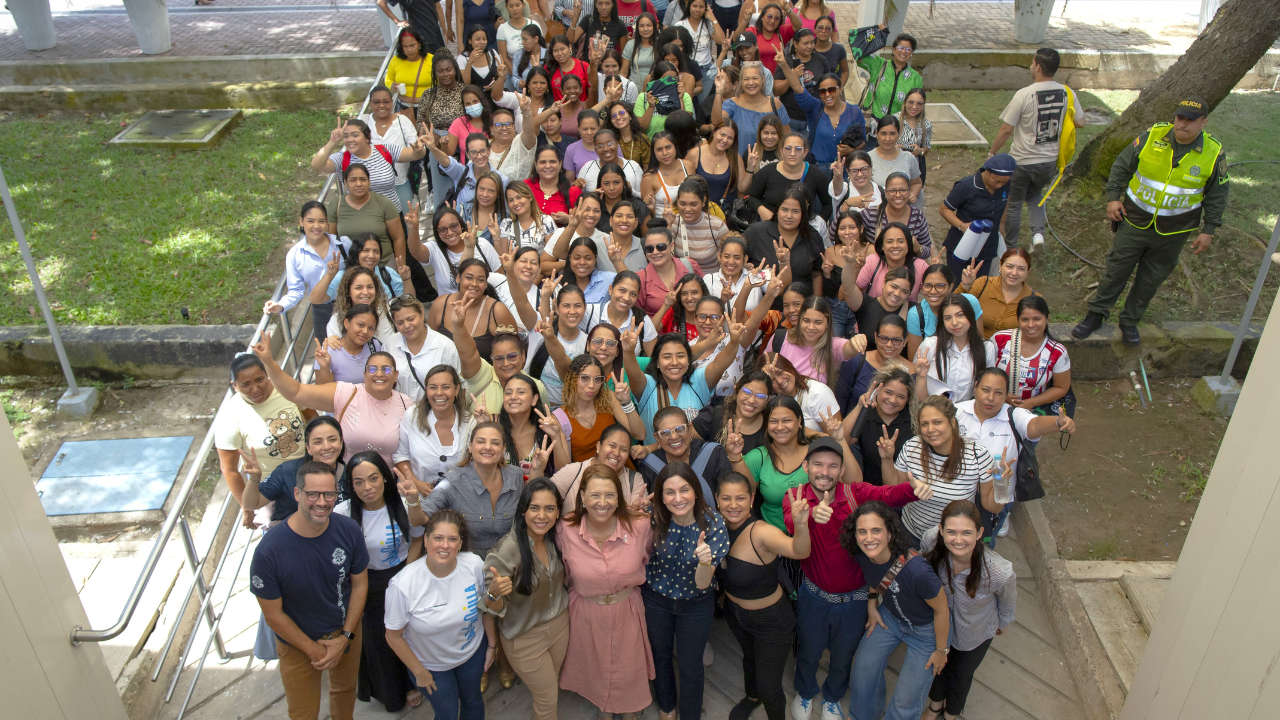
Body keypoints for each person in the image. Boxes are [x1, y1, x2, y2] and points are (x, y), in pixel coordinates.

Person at [782, 437, 930, 720]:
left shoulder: (855, 494)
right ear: (805, 466)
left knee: (843, 653)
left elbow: (888, 495)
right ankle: (805, 691)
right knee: (808, 649)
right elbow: (791, 522)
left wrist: (913, 489)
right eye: (818, 465)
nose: (824, 471)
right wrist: (811, 515)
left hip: (855, 599)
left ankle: (834, 697)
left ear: (841, 471)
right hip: (813, 595)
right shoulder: (795, 497)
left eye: (832, 466)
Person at [1074, 96, 1228, 347]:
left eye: (1191, 121)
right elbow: (1122, 166)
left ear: (1204, 122)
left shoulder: (1213, 153)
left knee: (1151, 278)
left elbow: (1218, 194)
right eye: (1180, 118)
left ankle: (1130, 321)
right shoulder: (1152, 137)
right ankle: (1096, 314)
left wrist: (1209, 229)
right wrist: (1113, 198)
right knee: (1116, 270)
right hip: (1135, 221)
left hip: (1174, 232)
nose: (1183, 125)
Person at [249, 462, 368, 720]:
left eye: (329, 494)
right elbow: (273, 615)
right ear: (297, 494)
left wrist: (345, 636)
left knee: (346, 692)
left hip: (345, 632)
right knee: (303, 712)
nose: (322, 502)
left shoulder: (349, 530)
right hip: (296, 644)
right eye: (312, 494)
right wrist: (312, 649)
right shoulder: (269, 551)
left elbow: (359, 584)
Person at [557, 464, 656, 718]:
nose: (602, 503)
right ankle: (604, 706)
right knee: (594, 667)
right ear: (582, 497)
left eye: (610, 495)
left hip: (627, 610)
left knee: (627, 666)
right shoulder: (565, 530)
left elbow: (650, 556)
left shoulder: (640, 526)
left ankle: (629, 709)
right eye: (595, 495)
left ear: (619, 497)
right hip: (585, 612)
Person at [384, 508, 498, 720]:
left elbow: (485, 609)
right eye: (438, 538)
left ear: (460, 543)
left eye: (452, 539)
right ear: (425, 540)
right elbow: (393, 636)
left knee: (473, 702)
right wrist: (419, 672)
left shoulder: (473, 564)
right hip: (430, 666)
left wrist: (491, 645)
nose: (445, 545)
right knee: (446, 713)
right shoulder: (402, 585)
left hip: (472, 655)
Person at [715, 472, 811, 720]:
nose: (733, 505)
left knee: (771, 687)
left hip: (771, 623)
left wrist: (801, 525)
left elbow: (798, 551)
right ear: (717, 499)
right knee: (750, 659)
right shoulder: (716, 527)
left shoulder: (761, 532)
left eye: (740, 498)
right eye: (726, 498)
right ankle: (751, 696)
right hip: (736, 615)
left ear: (751, 499)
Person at [332, 452, 423, 712]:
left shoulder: (404, 504)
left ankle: (412, 681)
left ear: (385, 477)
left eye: (373, 479)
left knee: (408, 633)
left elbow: (417, 539)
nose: (367, 487)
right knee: (378, 640)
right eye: (358, 482)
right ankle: (389, 690)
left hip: (403, 574)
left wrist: (405, 575)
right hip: (365, 583)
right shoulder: (342, 513)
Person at [844, 501, 950, 720]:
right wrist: (872, 604)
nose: (869, 538)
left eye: (876, 530)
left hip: (926, 633)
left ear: (890, 533)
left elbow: (942, 611)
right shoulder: (862, 553)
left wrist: (941, 651)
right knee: (863, 670)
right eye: (862, 532)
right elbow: (875, 577)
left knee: (905, 702)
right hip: (890, 618)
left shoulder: (917, 570)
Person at [642, 462, 729, 720]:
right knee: (661, 656)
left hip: (696, 604)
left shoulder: (713, 523)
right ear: (660, 496)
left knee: (692, 666)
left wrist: (705, 561)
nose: (678, 498)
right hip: (656, 600)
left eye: (684, 490)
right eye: (670, 492)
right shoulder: (652, 516)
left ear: (696, 492)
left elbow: (704, 583)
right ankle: (666, 706)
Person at [478, 478, 570, 720]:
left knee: (552, 685)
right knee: (547, 699)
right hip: (525, 639)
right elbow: (490, 606)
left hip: (560, 627)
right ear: (523, 511)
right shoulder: (508, 549)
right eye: (534, 508)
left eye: (549, 508)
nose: (542, 516)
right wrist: (494, 592)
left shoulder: (554, 539)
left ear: (558, 511)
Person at [252, 333, 411, 467]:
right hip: (347, 481)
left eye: (386, 369)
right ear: (364, 374)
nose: (379, 374)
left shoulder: (406, 404)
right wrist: (269, 363)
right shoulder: (346, 393)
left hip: (390, 485)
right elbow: (296, 392)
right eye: (372, 369)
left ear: (396, 375)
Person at [921, 500, 1016, 720]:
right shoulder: (930, 541)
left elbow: (1008, 602)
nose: (958, 540)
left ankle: (951, 713)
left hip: (974, 632)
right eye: (951, 532)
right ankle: (935, 706)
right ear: (941, 530)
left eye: (966, 533)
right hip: (937, 623)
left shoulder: (999, 571)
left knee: (961, 675)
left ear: (980, 533)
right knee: (939, 668)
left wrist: (1002, 624)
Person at [957, 366, 1077, 539]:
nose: (990, 398)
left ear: (1006, 395)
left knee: (984, 544)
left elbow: (1034, 425)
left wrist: (1058, 423)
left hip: (998, 496)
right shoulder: (956, 412)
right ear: (975, 386)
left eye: (999, 393)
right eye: (985, 390)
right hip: (959, 493)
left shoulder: (1015, 416)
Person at [988, 48, 1084, 252]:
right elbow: (1081, 122)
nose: (1031, 67)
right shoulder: (1068, 93)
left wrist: (992, 153)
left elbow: (1007, 128)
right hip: (1049, 161)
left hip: (1022, 161)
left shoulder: (1024, 94)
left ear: (1038, 67)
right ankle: (1038, 235)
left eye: (1032, 63)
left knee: (1014, 203)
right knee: (1035, 197)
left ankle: (1011, 247)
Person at [882, 396, 1003, 546]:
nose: (930, 429)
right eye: (924, 424)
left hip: (953, 541)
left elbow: (991, 506)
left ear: (952, 422)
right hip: (911, 534)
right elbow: (894, 487)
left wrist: (1002, 482)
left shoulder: (978, 455)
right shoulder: (912, 446)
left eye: (937, 422)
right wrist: (887, 459)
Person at [215, 353, 309, 527]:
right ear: (234, 386)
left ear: (267, 374)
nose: (255, 389)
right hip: (273, 492)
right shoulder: (230, 417)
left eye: (259, 380)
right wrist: (247, 507)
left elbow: (312, 420)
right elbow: (229, 470)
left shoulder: (286, 388)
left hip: (311, 474)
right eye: (245, 385)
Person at [622, 323, 746, 444]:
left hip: (693, 462)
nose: (674, 362)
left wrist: (734, 342)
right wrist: (628, 351)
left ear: (689, 360)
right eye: (667, 357)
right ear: (657, 363)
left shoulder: (699, 381)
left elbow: (719, 365)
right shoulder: (647, 385)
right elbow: (634, 374)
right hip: (656, 462)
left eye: (680, 356)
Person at [737, 395, 836, 530]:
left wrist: (839, 438)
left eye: (787, 420)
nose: (780, 427)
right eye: (773, 421)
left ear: (799, 420)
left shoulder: (818, 451)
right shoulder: (758, 457)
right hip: (774, 540)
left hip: (820, 536)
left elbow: (853, 481)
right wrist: (735, 456)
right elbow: (741, 498)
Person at [241, 416, 346, 532]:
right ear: (308, 448)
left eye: (332, 439)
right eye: (318, 442)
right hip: (288, 540)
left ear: (341, 442)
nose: (326, 447)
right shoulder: (287, 472)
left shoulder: (350, 475)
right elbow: (251, 504)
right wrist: (254, 479)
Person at [264, 201, 350, 341]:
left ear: (327, 222)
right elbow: (296, 291)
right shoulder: (295, 255)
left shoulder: (343, 244)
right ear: (301, 222)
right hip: (322, 311)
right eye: (310, 221)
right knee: (327, 352)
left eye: (321, 221)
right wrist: (280, 305)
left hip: (348, 303)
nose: (316, 226)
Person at [312, 118, 427, 214]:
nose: (350, 140)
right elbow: (317, 164)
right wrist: (333, 142)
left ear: (367, 137)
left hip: (391, 216)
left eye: (355, 135)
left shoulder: (385, 150)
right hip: (360, 218)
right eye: (346, 136)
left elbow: (416, 155)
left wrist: (419, 149)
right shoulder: (342, 158)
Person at [394, 363, 476, 493]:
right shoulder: (412, 415)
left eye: (446, 387)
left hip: (457, 500)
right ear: (426, 390)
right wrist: (416, 483)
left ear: (456, 389)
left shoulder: (470, 423)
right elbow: (401, 455)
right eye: (433, 387)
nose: (439, 393)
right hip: (417, 498)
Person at [939, 153, 1016, 279]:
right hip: (962, 246)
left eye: (1004, 182)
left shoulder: (1005, 185)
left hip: (987, 248)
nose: (999, 185)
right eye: (996, 181)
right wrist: (962, 226)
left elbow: (1006, 199)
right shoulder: (966, 186)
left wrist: (1002, 223)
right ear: (987, 171)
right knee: (959, 289)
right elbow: (944, 209)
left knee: (980, 286)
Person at [427, 257, 518, 362]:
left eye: (480, 280)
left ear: (485, 284)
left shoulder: (497, 311)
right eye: (469, 278)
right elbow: (429, 343)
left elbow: (514, 352)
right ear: (458, 278)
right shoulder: (440, 304)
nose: (474, 284)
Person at [745, 185, 827, 299]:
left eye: (795, 211)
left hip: (801, 308)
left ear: (803, 213)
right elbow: (738, 260)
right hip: (762, 307)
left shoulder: (812, 237)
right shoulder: (756, 232)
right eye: (784, 209)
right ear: (777, 210)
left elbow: (817, 274)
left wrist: (817, 304)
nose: (789, 216)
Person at [990, 295, 1072, 411]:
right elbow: (982, 372)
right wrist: (1002, 395)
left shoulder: (1057, 352)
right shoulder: (1000, 339)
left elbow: (1061, 387)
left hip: (1032, 413)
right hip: (994, 406)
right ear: (1018, 319)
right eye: (1025, 319)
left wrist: (1031, 403)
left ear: (1047, 318)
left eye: (1037, 319)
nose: (1031, 325)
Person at [553, 354, 641, 459]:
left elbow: (640, 434)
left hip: (619, 469)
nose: (592, 385)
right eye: (585, 378)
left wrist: (626, 402)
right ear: (572, 379)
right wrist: (555, 436)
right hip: (585, 474)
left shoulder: (608, 398)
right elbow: (563, 469)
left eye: (597, 379)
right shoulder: (559, 417)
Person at [637, 404, 736, 499]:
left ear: (689, 429)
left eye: (680, 429)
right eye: (665, 433)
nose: (674, 437)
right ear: (657, 437)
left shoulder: (714, 454)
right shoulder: (649, 466)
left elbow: (729, 496)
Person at [842, 366, 916, 486]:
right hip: (867, 492)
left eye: (901, 397)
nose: (893, 400)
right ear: (877, 390)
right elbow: (841, 441)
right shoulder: (865, 415)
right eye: (888, 392)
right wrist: (860, 407)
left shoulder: (913, 422)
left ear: (908, 399)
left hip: (900, 492)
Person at [551, 424, 649, 512]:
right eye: (612, 446)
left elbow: (639, 518)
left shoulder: (634, 480)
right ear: (598, 446)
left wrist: (633, 513)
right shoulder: (573, 472)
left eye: (623, 449)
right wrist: (538, 469)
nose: (616, 453)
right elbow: (543, 497)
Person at [914, 294, 992, 403]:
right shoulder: (930, 345)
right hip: (931, 410)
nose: (954, 323)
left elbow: (988, 388)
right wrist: (920, 377)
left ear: (970, 315)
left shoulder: (987, 348)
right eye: (947, 318)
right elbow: (919, 399)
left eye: (960, 315)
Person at [325, 165, 406, 270]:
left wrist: (401, 267)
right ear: (345, 183)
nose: (359, 184)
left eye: (363, 179)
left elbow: (398, 238)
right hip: (350, 268)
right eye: (353, 180)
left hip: (383, 265)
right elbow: (331, 241)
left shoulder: (383, 203)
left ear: (369, 182)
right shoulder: (336, 205)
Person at [744, 133, 835, 226]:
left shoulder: (816, 174)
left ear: (805, 152)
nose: (792, 153)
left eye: (798, 149)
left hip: (802, 230)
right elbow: (750, 197)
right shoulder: (768, 171)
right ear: (781, 151)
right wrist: (761, 210)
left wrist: (817, 225)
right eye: (788, 148)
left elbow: (828, 204)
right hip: (770, 226)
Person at [388, 296, 461, 403]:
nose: (407, 325)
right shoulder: (390, 343)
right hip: (400, 412)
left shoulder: (445, 346)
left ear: (422, 314)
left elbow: (458, 383)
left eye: (411, 319)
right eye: (400, 323)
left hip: (434, 412)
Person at [359, 86, 421, 209]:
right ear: (370, 103)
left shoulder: (402, 121)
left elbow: (417, 150)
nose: (381, 105)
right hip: (371, 187)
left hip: (400, 184)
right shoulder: (363, 122)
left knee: (406, 223)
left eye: (386, 101)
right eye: (376, 102)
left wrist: (419, 149)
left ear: (392, 102)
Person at [419, 55, 468, 206]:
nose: (445, 74)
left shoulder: (464, 91)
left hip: (461, 140)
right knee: (441, 189)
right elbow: (420, 120)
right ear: (435, 73)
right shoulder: (429, 94)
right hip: (436, 143)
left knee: (462, 185)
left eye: (449, 70)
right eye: (440, 71)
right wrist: (432, 136)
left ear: (455, 70)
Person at [845, 217, 929, 304]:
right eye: (889, 242)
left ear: (908, 244)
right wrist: (855, 269)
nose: (895, 245)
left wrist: (936, 273)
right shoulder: (873, 261)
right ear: (882, 246)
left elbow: (934, 293)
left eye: (900, 241)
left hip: (906, 316)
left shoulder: (920, 266)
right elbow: (845, 294)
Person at [906, 264, 983, 359]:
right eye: (928, 286)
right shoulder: (916, 314)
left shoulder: (970, 303)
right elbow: (915, 360)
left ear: (951, 287)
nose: (933, 291)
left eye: (940, 286)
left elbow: (979, 342)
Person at [714, 61, 789, 156]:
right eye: (746, 79)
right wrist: (719, 91)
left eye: (755, 78)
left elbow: (787, 137)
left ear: (763, 79)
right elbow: (716, 122)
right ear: (741, 81)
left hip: (769, 165)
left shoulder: (775, 104)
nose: (750, 83)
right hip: (739, 164)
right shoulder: (732, 104)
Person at [959, 247, 1036, 339]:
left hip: (1009, 351)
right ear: (1000, 265)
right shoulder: (983, 284)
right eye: (1009, 266)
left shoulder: (1033, 299)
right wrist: (965, 286)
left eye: (1021, 269)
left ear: (1028, 272)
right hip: (974, 346)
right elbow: (952, 308)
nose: (1014, 273)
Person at [858, 172, 934, 260]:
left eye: (903, 190)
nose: (898, 195)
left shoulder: (918, 216)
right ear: (885, 193)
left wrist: (918, 248)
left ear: (909, 192)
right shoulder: (869, 214)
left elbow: (928, 251)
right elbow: (849, 235)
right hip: (875, 269)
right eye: (892, 191)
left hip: (907, 271)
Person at [693, 369, 772, 451]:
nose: (751, 401)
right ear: (737, 390)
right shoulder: (712, 416)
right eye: (747, 392)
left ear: (767, 401)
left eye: (760, 396)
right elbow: (685, 440)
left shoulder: (771, 427)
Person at [852, 27, 922, 119]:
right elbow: (857, 50)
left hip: (898, 126)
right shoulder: (878, 64)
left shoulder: (915, 78)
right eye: (901, 48)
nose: (904, 51)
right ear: (893, 49)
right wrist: (875, 32)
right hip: (874, 123)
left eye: (908, 49)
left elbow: (916, 105)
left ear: (912, 52)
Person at [772, 28, 828, 136]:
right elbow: (776, 90)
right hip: (790, 117)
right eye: (805, 43)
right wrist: (791, 77)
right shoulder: (786, 62)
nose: (810, 46)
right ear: (795, 44)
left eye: (812, 42)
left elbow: (828, 84)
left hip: (813, 116)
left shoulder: (821, 60)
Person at [314, 305, 384, 386]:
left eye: (371, 328)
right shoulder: (329, 350)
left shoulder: (375, 346)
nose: (365, 331)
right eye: (361, 325)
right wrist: (325, 369)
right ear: (346, 323)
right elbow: (322, 390)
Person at [804, 72, 863, 166]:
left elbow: (863, 140)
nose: (827, 94)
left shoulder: (854, 111)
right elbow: (798, 90)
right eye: (822, 91)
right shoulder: (815, 107)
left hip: (845, 168)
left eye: (832, 90)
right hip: (818, 168)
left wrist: (852, 150)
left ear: (840, 89)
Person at [868, 116, 924, 211]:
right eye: (883, 133)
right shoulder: (867, 159)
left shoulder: (908, 158)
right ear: (877, 134)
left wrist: (912, 194)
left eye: (893, 134)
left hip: (904, 212)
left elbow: (917, 183)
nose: (888, 138)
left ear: (899, 134)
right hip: (877, 212)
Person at [635, 62, 697, 137]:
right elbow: (641, 128)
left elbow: (685, 126)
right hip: (651, 144)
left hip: (677, 143)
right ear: (656, 80)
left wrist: (680, 99)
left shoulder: (684, 96)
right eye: (667, 79)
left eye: (675, 78)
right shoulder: (643, 98)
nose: (672, 81)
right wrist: (651, 107)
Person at [528, 145, 584, 226]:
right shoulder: (527, 186)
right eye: (542, 162)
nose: (547, 166)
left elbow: (587, 222)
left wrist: (569, 219)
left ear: (560, 164)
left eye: (552, 161)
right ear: (536, 165)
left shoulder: (573, 191)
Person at [577, 127, 645, 192]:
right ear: (596, 150)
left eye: (609, 144)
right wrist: (576, 186)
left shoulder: (633, 166)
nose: (606, 149)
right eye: (600, 146)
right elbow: (579, 195)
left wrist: (630, 191)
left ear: (617, 144)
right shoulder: (588, 167)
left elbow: (644, 197)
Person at [378, 0, 448, 57]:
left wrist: (444, 32)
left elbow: (438, 7)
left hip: (436, 35)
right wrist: (397, 21)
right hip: (418, 38)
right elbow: (381, 2)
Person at [743, 2, 798, 72]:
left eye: (776, 18)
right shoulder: (753, 32)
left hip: (778, 79)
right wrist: (745, 20)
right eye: (769, 17)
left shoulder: (782, 32)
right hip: (758, 77)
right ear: (762, 17)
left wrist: (788, 10)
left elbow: (797, 26)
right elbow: (736, 38)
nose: (772, 21)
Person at [898, 88, 931, 182]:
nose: (914, 107)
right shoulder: (894, 120)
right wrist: (892, 148)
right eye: (911, 102)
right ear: (905, 102)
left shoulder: (926, 125)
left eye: (919, 103)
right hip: (894, 163)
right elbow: (881, 142)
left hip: (914, 166)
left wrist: (920, 151)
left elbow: (927, 147)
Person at [606, 101, 652, 167]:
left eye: (621, 113)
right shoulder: (609, 140)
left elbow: (647, 169)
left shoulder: (642, 139)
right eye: (614, 116)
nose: (618, 117)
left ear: (630, 116)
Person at [622, 11, 660, 88]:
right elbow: (623, 72)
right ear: (637, 28)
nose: (645, 29)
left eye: (649, 25)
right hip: (634, 89)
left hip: (656, 89)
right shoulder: (630, 45)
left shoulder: (660, 44)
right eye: (641, 26)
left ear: (654, 27)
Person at [811, 15, 848, 94]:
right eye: (820, 28)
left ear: (832, 32)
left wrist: (840, 87)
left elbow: (845, 71)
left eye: (828, 28)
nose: (823, 31)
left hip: (832, 92)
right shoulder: (808, 49)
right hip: (812, 92)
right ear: (815, 30)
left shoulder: (839, 49)